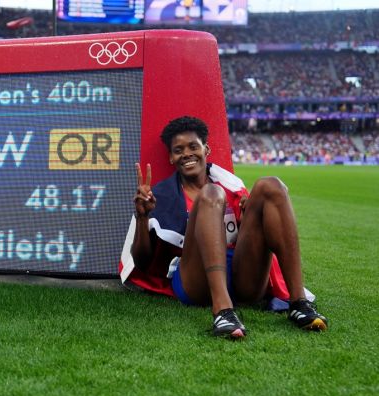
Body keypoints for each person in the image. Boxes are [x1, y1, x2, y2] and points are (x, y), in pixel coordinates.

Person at [129, 116, 328, 339]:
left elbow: (249, 239)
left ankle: (298, 303)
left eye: (193, 146)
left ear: (206, 149)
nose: (186, 153)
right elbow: (142, 262)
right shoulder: (160, 196)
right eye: (178, 150)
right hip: (196, 280)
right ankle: (223, 311)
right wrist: (142, 217)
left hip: (241, 274)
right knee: (210, 194)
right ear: (171, 157)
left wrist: (249, 220)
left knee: (271, 185)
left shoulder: (233, 186)